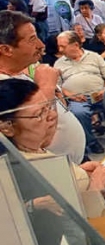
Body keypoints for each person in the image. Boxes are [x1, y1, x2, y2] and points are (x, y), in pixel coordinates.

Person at [0, 77, 105, 245]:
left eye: (48, 107)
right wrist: (97, 186)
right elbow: (67, 231)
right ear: (7, 127)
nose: (51, 116)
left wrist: (79, 172)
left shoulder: (35, 151)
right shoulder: (21, 170)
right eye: (39, 114)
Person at [0, 11, 86, 164]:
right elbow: (38, 137)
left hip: (68, 165)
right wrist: (46, 86)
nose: (41, 45)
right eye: (32, 40)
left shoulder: (19, 74)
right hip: (49, 171)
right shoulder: (4, 88)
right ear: (6, 50)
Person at [55, 30, 105, 155]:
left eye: (63, 46)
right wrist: (70, 95)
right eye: (59, 46)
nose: (60, 49)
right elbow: (57, 87)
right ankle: (91, 142)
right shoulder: (58, 64)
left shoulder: (94, 56)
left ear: (76, 45)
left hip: (101, 95)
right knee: (78, 113)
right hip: (78, 99)